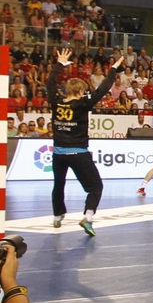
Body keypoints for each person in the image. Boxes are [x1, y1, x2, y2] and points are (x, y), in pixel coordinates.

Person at [47, 49, 124, 236]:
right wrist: (113, 69)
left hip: (58, 154)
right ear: (80, 91)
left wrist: (59, 64)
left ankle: (58, 216)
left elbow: (49, 84)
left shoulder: (56, 101)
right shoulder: (83, 104)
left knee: (58, 184)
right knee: (96, 186)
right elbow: (103, 89)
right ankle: (88, 217)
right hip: (78, 153)